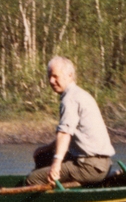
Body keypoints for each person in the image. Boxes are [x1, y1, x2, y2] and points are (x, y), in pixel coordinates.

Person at [25, 57, 116, 187]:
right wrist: (47, 148)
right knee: (43, 156)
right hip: (102, 165)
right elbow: (71, 135)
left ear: (70, 75)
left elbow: (64, 133)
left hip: (90, 167)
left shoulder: (70, 99)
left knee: (33, 179)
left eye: (55, 76)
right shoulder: (80, 94)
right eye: (50, 76)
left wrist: (56, 165)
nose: (51, 81)